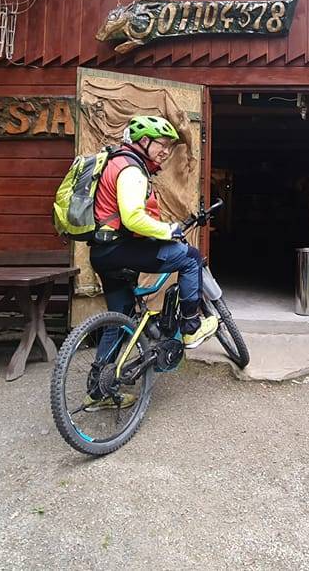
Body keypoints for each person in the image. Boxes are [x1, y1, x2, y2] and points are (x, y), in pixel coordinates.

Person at [85, 116, 216, 407]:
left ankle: (97, 392)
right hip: (121, 249)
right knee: (191, 258)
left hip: (103, 252)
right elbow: (132, 217)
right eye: (162, 144)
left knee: (119, 319)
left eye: (170, 147)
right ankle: (191, 327)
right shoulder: (131, 169)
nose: (166, 151)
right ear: (143, 141)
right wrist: (168, 230)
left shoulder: (116, 162)